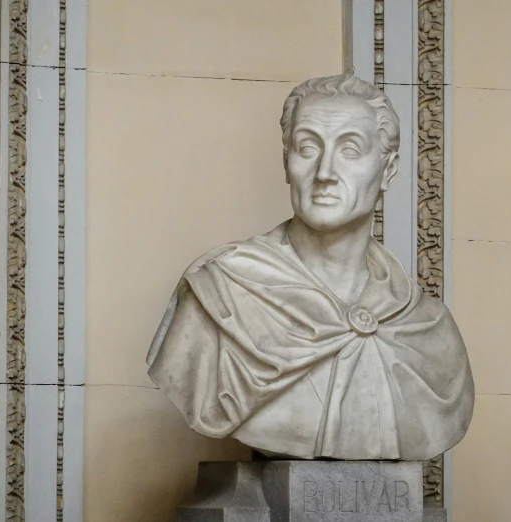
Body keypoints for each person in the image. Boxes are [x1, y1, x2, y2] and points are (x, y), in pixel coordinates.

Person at [146, 74, 474, 460]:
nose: (324, 174)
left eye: (350, 150)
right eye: (307, 148)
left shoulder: (427, 329)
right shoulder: (222, 292)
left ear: (387, 170)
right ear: (287, 163)